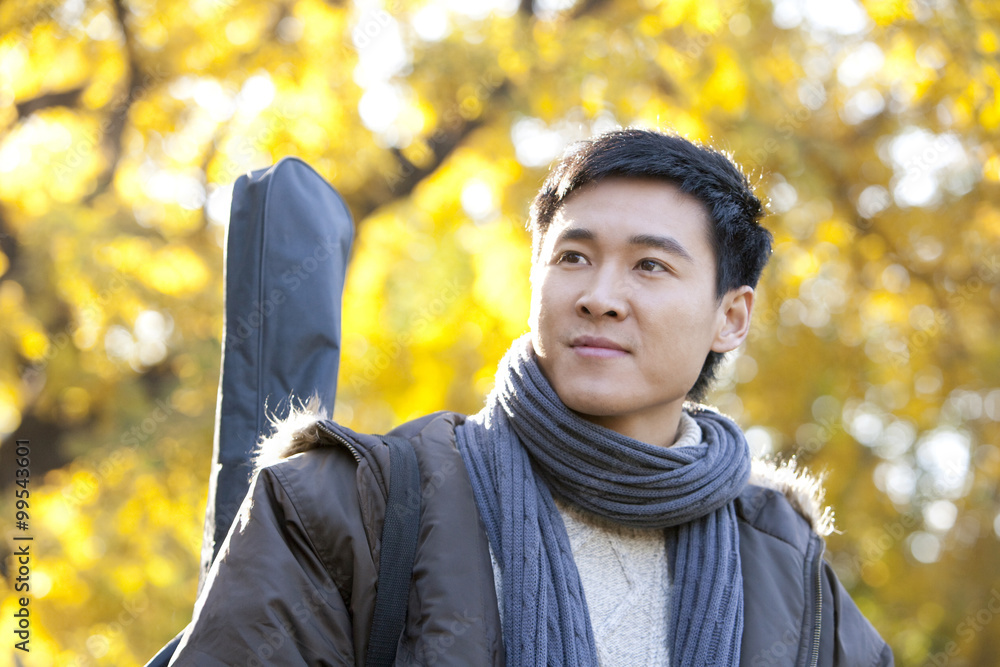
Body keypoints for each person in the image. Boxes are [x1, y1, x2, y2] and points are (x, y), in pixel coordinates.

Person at [168, 128, 893, 666]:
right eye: (573, 257)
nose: (600, 297)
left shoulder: (783, 561)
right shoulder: (356, 503)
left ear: (730, 317)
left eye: (649, 265)